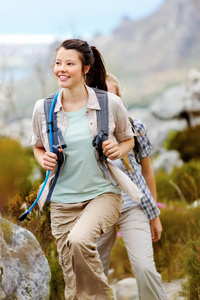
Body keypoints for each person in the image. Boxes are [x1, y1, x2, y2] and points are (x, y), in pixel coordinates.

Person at [29, 39, 144, 300]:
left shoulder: (109, 103)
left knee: (79, 241)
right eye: (58, 63)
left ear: (85, 69)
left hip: (102, 193)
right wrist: (43, 158)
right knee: (72, 277)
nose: (62, 69)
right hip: (61, 201)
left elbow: (129, 139)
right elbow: (37, 146)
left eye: (70, 63)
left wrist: (118, 149)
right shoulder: (43, 108)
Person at [97, 73, 168, 300]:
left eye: (111, 94)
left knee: (146, 269)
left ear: (118, 98)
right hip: (98, 211)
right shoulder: (85, 131)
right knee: (94, 273)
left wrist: (153, 215)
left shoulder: (135, 127)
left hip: (132, 208)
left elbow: (147, 172)